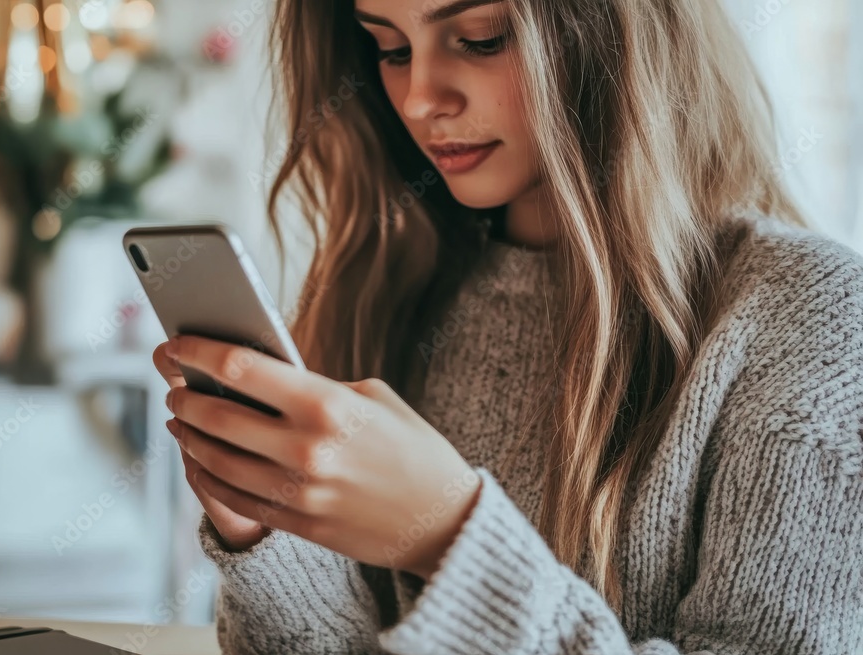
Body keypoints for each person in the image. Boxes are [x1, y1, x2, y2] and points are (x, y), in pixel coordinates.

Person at [153, 0, 863, 652]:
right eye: (391, 50)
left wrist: (447, 536)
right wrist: (268, 538)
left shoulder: (812, 315)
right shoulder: (379, 294)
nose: (421, 98)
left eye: (482, 38)